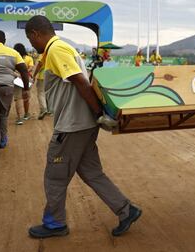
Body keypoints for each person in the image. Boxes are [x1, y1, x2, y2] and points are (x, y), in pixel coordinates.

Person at [25, 15, 141, 239]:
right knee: (92, 173)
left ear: (35, 34)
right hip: (82, 125)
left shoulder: (57, 50)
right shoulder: (56, 50)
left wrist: (100, 113)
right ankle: (127, 210)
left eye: (31, 41)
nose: (33, 45)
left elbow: (81, 81)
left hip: (72, 127)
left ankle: (54, 223)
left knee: (54, 176)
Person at [13, 43, 34, 125]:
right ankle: (26, 114)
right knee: (26, 97)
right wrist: (24, 73)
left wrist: (18, 74)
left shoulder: (14, 58)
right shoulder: (29, 58)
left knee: (17, 98)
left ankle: (19, 118)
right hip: (27, 79)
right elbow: (31, 68)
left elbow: (11, 68)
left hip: (17, 79)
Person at [32, 54, 48, 120]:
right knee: (47, 93)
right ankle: (50, 109)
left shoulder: (43, 55)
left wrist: (34, 75)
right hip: (51, 76)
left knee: (41, 93)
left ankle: (43, 109)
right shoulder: (52, 52)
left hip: (42, 76)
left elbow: (40, 65)